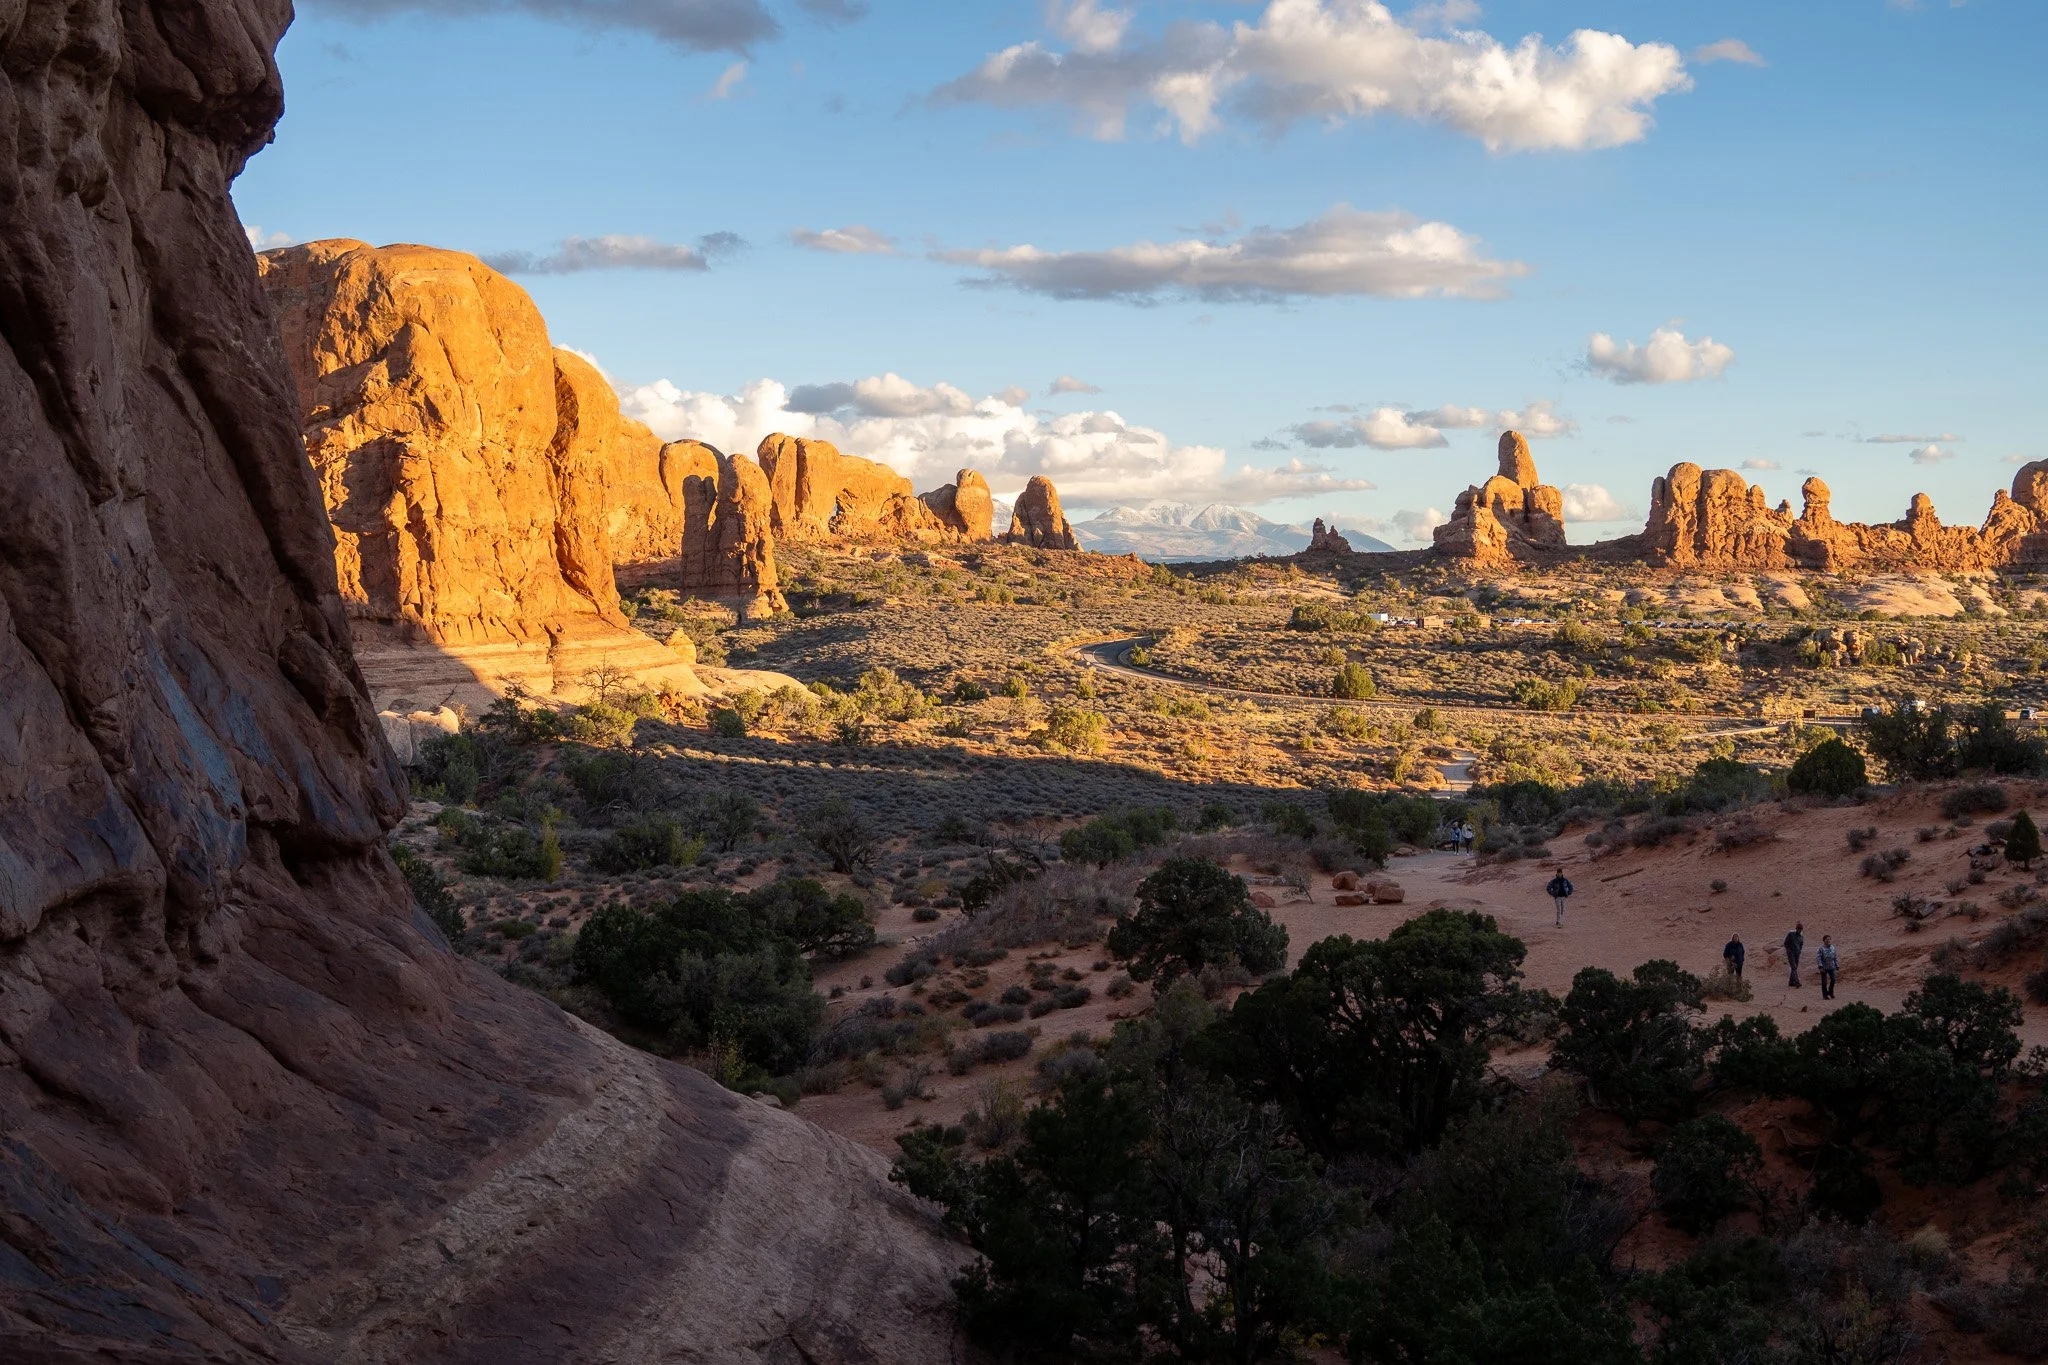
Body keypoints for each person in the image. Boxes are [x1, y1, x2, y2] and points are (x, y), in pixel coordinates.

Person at [1816, 935, 1839, 1000]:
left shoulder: (1833, 948)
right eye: (1827, 939)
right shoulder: (1821, 948)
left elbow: (1835, 957)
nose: (1828, 940)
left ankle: (1830, 992)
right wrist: (1820, 966)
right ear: (1824, 940)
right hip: (1824, 967)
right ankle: (1825, 995)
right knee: (1824, 982)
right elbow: (1818, 958)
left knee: (1833, 979)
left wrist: (1837, 965)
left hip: (1831, 966)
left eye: (1829, 939)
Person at [1784, 921, 1805, 988]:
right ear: (1796, 928)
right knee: (1793, 966)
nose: (1799, 930)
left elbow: (1801, 944)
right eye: (1798, 929)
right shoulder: (1791, 934)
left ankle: (1791, 982)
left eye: (1800, 929)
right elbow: (1786, 943)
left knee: (1795, 967)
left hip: (1797, 953)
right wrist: (1789, 950)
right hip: (1791, 953)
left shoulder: (1801, 937)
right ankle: (1797, 982)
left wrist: (1799, 951)